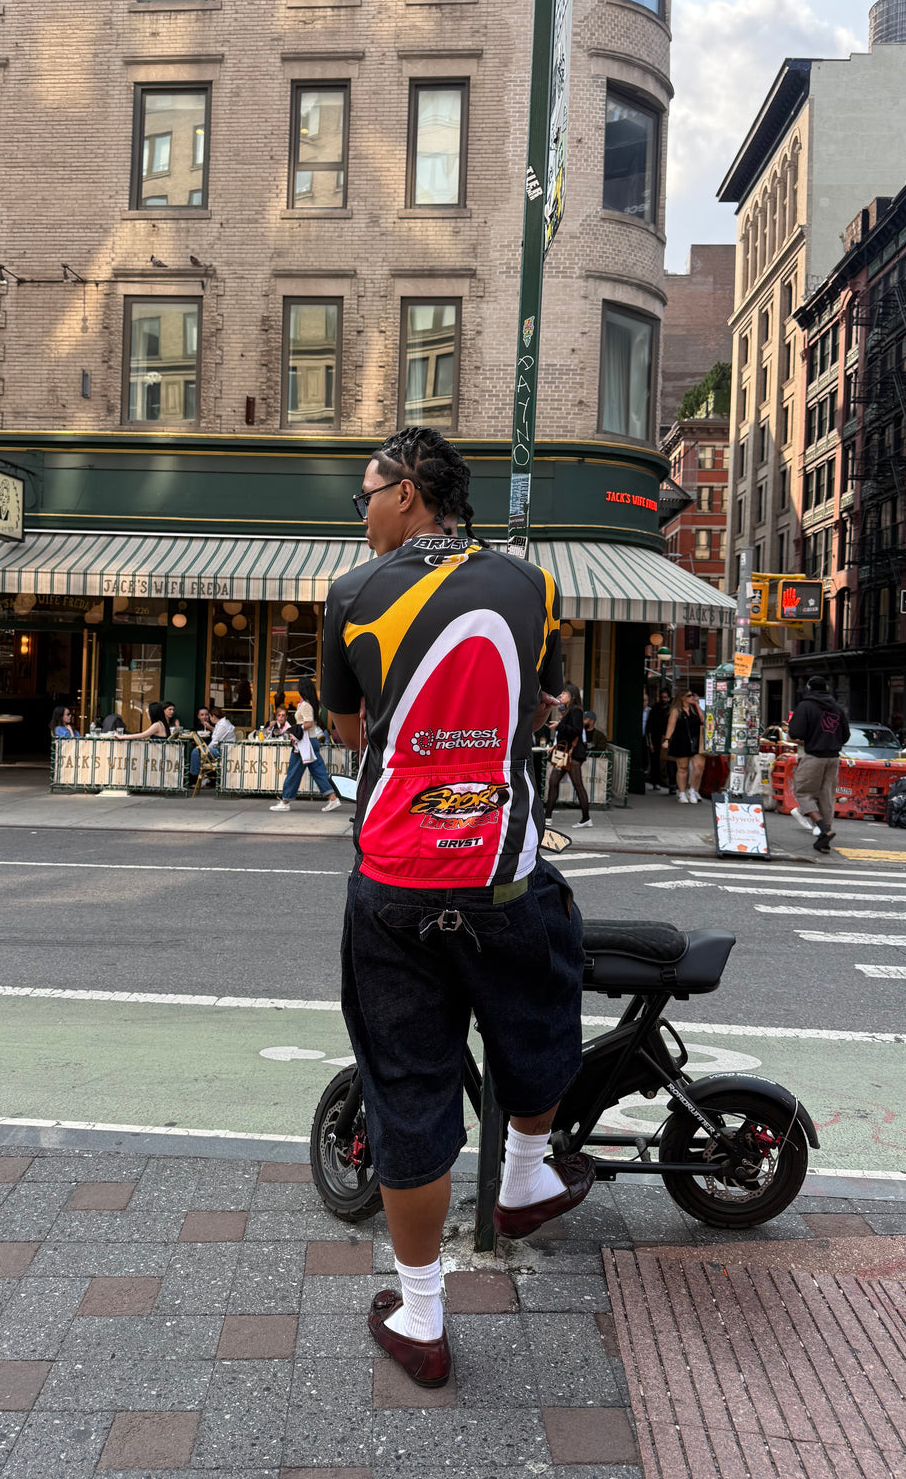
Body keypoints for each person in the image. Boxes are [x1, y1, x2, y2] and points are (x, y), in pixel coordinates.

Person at [322, 425, 590, 1391]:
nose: (361, 512)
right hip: (501, 872)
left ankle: (423, 1317)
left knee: (407, 1090)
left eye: (365, 494)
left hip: (395, 880)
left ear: (407, 491)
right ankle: (524, 1173)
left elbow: (350, 731)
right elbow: (548, 701)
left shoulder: (353, 595)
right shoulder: (532, 585)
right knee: (543, 1006)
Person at [788, 675, 850, 854]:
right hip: (833, 758)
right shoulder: (837, 708)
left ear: (808, 688)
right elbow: (845, 735)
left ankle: (823, 828)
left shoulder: (806, 706)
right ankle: (824, 842)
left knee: (803, 791)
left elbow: (796, 732)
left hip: (814, 755)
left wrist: (812, 736)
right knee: (826, 796)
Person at [270, 678, 341, 811]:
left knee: (293, 772)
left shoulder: (306, 705)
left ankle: (285, 802)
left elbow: (308, 723)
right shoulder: (311, 704)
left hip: (304, 743)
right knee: (318, 771)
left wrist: (296, 730)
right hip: (310, 741)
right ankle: (332, 798)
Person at [544, 683, 592, 829]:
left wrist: (559, 725)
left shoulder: (575, 710)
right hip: (565, 754)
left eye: (564, 693)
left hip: (572, 755)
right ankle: (547, 817)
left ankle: (586, 818)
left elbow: (576, 730)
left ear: (573, 696)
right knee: (554, 782)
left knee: (577, 785)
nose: (561, 695)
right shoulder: (569, 710)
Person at [663, 687, 704, 804]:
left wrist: (697, 706)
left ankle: (692, 789)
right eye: (689, 696)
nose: (692, 697)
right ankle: (681, 792)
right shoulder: (676, 711)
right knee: (683, 768)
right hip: (681, 740)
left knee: (699, 766)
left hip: (696, 740)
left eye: (692, 695)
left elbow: (703, 720)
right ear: (682, 698)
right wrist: (667, 739)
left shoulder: (695, 708)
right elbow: (671, 726)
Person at [190, 706, 235, 781]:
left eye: (209, 716)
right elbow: (218, 733)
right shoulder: (221, 724)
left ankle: (195, 777)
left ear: (213, 716)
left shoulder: (223, 725)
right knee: (198, 751)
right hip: (222, 749)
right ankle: (202, 776)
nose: (209, 718)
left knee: (196, 752)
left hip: (225, 751)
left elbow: (215, 742)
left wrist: (206, 750)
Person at [643, 689, 671, 793]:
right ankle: (656, 781)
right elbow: (649, 727)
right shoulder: (654, 710)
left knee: (665, 761)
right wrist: (650, 742)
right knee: (655, 760)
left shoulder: (670, 710)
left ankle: (664, 780)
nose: (663, 699)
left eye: (665, 697)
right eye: (662, 697)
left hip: (666, 737)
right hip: (656, 738)